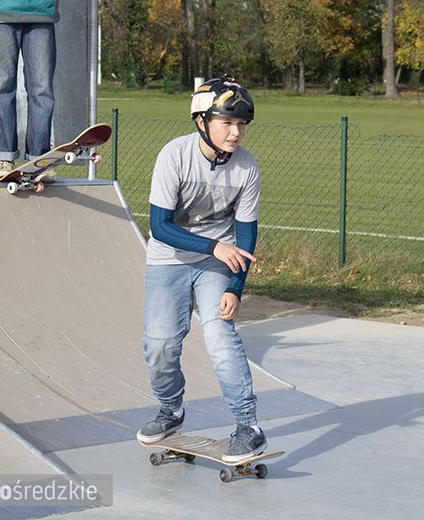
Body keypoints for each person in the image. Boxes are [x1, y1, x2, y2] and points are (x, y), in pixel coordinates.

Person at [137, 75, 265, 463]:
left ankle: (248, 426)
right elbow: (159, 226)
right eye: (227, 123)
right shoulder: (173, 156)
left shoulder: (246, 168)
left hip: (217, 261)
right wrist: (214, 245)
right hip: (168, 257)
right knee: (159, 347)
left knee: (220, 338)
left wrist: (235, 288)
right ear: (201, 121)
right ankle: (171, 409)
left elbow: (245, 238)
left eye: (242, 124)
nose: (236, 132)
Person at [0, 0, 58, 179]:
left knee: (42, 90)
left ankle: (40, 161)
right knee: (2, 87)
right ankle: (4, 159)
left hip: (41, 10)